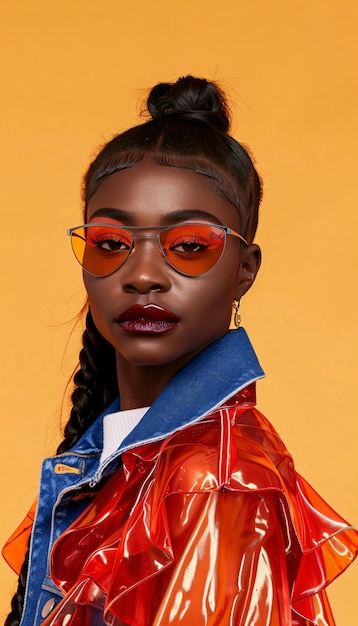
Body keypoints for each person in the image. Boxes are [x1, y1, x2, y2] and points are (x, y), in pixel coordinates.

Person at [3, 75, 358, 626]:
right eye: (111, 244)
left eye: (189, 246)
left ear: (246, 269)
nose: (142, 275)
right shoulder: (123, 457)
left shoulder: (213, 481)